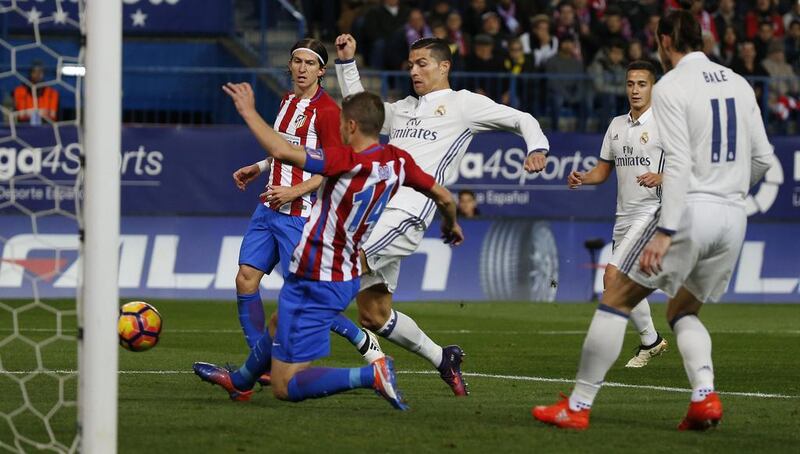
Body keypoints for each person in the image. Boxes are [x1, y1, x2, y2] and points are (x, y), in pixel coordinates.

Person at [533, 9, 773, 431]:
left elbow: (677, 164)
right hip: (734, 216)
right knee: (683, 311)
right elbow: (762, 160)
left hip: (686, 211)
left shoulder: (671, 87)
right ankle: (703, 398)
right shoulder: (739, 83)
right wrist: (731, 193)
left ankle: (578, 405)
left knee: (615, 297)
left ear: (665, 42)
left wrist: (665, 231)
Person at [195, 89, 464, 409]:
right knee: (278, 323)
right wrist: (450, 224)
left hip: (317, 275)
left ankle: (371, 376)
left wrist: (249, 111)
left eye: (339, 123)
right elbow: (445, 197)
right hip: (342, 272)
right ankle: (240, 382)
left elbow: (281, 148)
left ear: (351, 126)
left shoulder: (342, 161)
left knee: (285, 385)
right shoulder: (398, 161)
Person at [334, 35, 549, 396]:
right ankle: (443, 358)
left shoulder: (464, 105)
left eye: (422, 64)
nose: (414, 71)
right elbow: (359, 109)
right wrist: (346, 64)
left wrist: (537, 147)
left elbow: (521, 119)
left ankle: (276, 359)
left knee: (338, 264)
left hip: (409, 210)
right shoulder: (402, 108)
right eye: (410, 65)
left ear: (444, 66)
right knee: (374, 314)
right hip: (375, 211)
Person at [230, 39, 384, 384]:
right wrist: (260, 166)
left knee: (305, 295)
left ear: (321, 71)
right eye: (296, 61)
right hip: (269, 205)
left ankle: (365, 342)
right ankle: (261, 363)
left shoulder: (329, 112)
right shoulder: (287, 101)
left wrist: (294, 191)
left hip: (299, 212)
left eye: (308, 63)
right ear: (289, 65)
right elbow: (286, 149)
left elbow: (335, 166)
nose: (301, 68)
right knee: (245, 278)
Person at [567, 60, 669, 368]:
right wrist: (584, 178)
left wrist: (662, 177)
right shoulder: (616, 125)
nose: (635, 90)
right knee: (621, 283)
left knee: (612, 276)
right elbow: (602, 171)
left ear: (654, 87)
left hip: (653, 212)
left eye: (642, 84)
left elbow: (691, 167)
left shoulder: (667, 123)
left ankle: (596, 361)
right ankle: (650, 341)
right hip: (624, 215)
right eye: (630, 84)